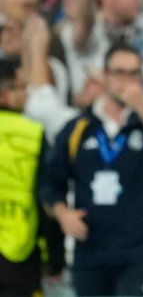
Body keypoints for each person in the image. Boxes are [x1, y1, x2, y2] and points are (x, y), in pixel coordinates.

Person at [40, 44, 143, 297]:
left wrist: (142, 104)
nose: (127, 82)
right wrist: (63, 213)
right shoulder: (79, 128)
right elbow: (49, 181)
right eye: (120, 73)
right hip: (90, 253)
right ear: (105, 76)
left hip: (141, 254)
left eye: (134, 74)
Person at [0, 58, 52, 297]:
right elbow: (45, 197)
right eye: (20, 87)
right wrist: (54, 256)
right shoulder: (33, 133)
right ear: (4, 94)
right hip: (20, 252)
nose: (26, 94)